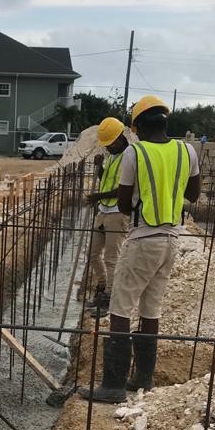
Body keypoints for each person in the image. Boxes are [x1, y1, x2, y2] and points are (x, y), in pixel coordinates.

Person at [80, 95, 200, 404]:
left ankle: (113, 384)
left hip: (143, 236)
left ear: (138, 128)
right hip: (172, 239)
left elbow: (122, 202)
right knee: (151, 309)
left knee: (120, 308)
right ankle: (143, 377)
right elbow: (194, 193)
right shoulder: (187, 150)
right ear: (164, 121)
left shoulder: (136, 152)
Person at [84, 117, 130, 313]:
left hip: (117, 213)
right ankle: (102, 287)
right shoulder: (112, 156)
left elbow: (123, 189)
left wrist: (97, 196)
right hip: (104, 211)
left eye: (109, 144)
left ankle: (110, 298)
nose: (107, 148)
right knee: (93, 254)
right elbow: (108, 180)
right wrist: (100, 168)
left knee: (112, 258)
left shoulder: (129, 157)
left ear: (119, 138)